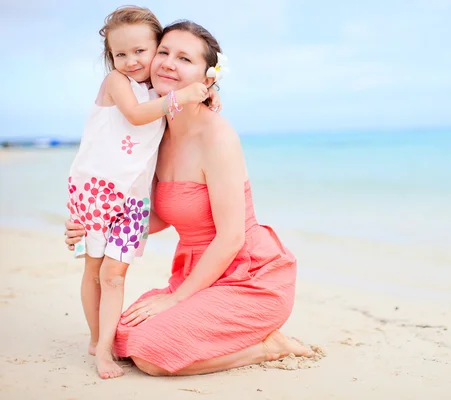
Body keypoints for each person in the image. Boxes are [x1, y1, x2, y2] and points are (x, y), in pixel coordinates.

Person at [64, 19, 313, 378]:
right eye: (163, 52)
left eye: (184, 59)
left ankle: (267, 346)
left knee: (151, 356)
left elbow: (231, 237)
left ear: (207, 78)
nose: (167, 63)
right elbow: (158, 215)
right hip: (196, 273)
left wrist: (176, 299)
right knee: (120, 336)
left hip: (247, 276)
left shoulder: (217, 138)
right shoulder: (155, 132)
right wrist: (89, 226)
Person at [67, 6, 222, 379]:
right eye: (120, 54)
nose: (131, 61)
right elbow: (137, 115)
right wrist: (185, 97)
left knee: (115, 275)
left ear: (156, 48)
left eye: (141, 51)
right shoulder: (116, 84)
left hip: (133, 199)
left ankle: (106, 347)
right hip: (95, 190)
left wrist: (208, 94)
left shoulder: (160, 93)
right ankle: (95, 339)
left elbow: (176, 105)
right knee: (93, 270)